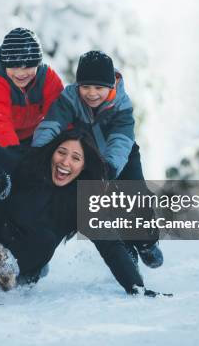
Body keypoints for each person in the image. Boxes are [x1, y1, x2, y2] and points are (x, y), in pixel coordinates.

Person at [0, 129, 168, 298]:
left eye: (76, 158)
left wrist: (136, 287)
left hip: (14, 269)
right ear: (52, 152)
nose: (65, 162)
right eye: (62, 152)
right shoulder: (27, 162)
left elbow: (111, 247)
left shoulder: (82, 202)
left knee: (45, 238)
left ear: (84, 166)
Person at [32, 51, 163, 268]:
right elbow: (52, 124)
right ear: (78, 85)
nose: (91, 94)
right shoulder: (70, 98)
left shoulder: (121, 103)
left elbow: (121, 138)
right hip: (90, 156)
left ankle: (146, 242)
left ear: (110, 87)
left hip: (123, 155)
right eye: (86, 87)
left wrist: (110, 167)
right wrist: (38, 152)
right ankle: (125, 248)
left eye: (99, 88)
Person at [0, 27, 64, 147]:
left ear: (37, 64)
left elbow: (58, 116)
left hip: (30, 130)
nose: (21, 73)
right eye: (14, 67)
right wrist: (13, 153)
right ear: (5, 65)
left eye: (27, 67)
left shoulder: (48, 79)